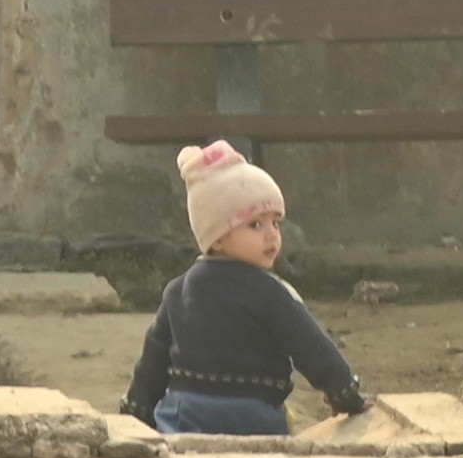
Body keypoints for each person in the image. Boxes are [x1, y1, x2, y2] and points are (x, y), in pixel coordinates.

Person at [123, 139, 369, 436]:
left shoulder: (177, 291)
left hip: (183, 415)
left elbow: (153, 361)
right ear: (217, 237)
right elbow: (310, 345)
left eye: (275, 223)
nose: (271, 236)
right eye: (255, 225)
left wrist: (137, 409)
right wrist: (344, 392)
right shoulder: (270, 291)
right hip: (251, 415)